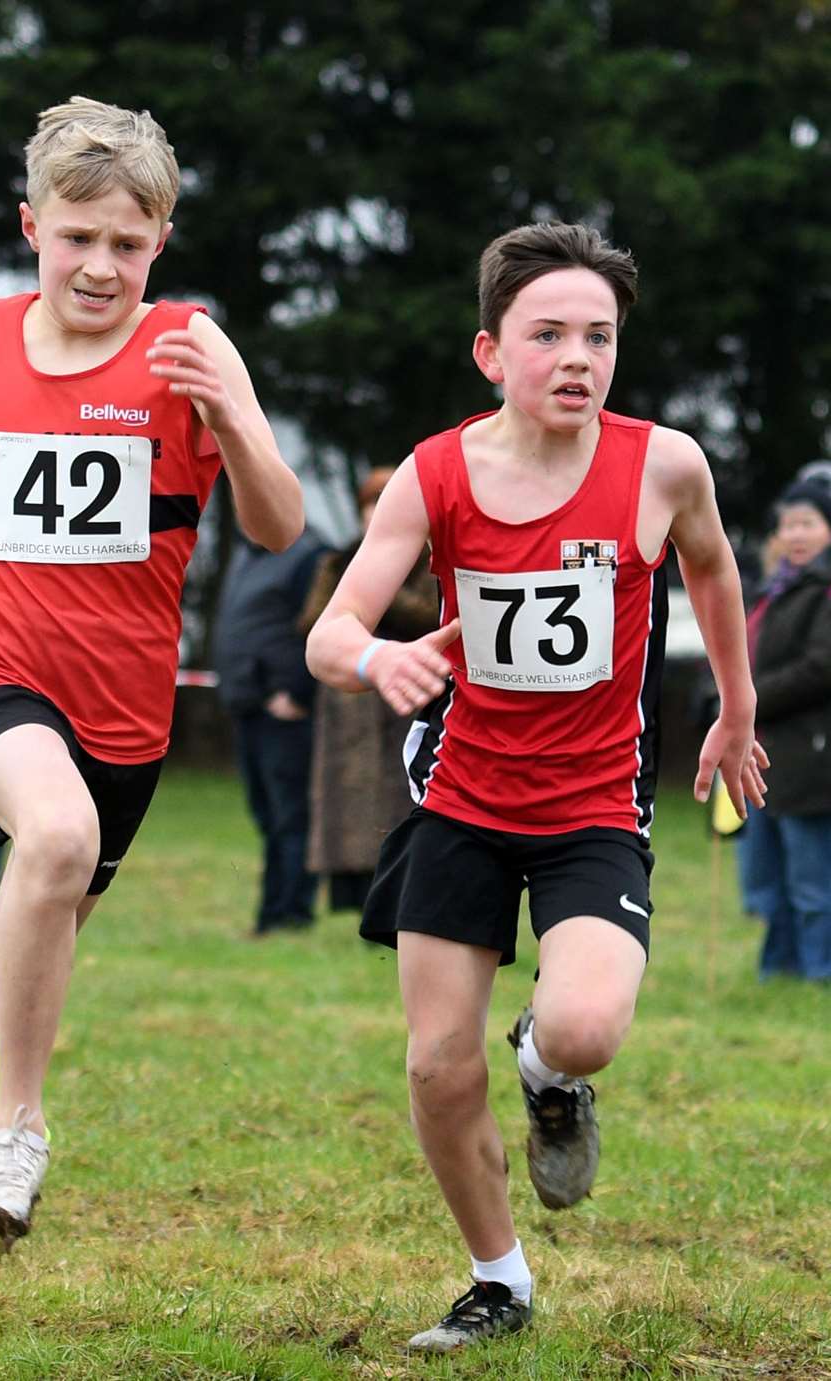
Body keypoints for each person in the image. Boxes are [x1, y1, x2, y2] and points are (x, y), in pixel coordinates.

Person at [0, 95, 302, 1245]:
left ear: (160, 246)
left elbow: (281, 526)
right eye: (79, 237)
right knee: (51, 841)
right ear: (31, 225)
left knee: (25, 932)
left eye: (128, 246)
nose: (101, 267)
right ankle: (16, 1130)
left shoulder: (187, 343)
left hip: (126, 708)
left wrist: (231, 417)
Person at [305, 222, 768, 1351]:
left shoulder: (662, 464)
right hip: (462, 799)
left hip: (593, 808)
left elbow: (710, 563)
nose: (578, 358)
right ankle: (498, 1278)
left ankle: (550, 1072)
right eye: (548, 334)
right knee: (432, 1061)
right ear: (490, 353)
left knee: (588, 1023)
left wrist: (737, 708)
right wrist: (382, 659)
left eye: (599, 337)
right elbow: (332, 631)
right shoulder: (438, 471)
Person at [299, 468, 437, 911]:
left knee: (402, 796)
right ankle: (349, 897)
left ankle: (400, 894)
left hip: (409, 695)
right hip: (348, 701)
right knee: (345, 802)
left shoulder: (431, 561)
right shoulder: (337, 561)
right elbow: (314, 621)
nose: (375, 513)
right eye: (369, 504)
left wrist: (380, 592)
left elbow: (430, 616)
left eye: (383, 502)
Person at [736, 480, 831, 980]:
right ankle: (778, 971)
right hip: (763, 753)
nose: (795, 534)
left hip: (811, 755)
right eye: (788, 524)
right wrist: (725, 694)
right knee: (766, 876)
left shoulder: (824, 589)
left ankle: (819, 973)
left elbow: (821, 666)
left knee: (813, 882)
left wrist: (749, 697)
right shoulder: (773, 590)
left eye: (807, 523)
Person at [213, 528, 326, 933]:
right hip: (250, 706)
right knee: (268, 816)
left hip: (285, 712)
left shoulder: (309, 555)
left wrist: (298, 692)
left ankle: (291, 914)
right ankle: (271, 913)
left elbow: (319, 625)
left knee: (291, 818)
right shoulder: (249, 553)